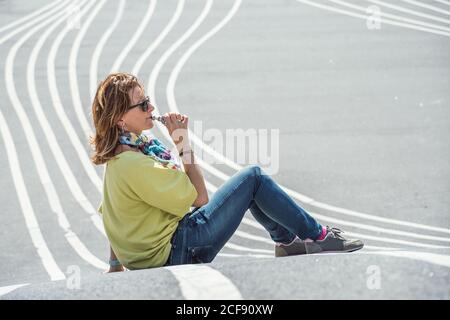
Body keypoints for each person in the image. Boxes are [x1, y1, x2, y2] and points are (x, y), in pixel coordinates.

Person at [90, 73, 364, 273]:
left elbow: (115, 213)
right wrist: (183, 142)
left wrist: (116, 265)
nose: (151, 108)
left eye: (148, 100)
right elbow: (200, 198)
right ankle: (317, 236)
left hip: (160, 252)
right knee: (253, 178)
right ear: (119, 118)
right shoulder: (136, 164)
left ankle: (288, 242)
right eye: (142, 104)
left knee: (248, 188)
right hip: (177, 252)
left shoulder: (120, 157)